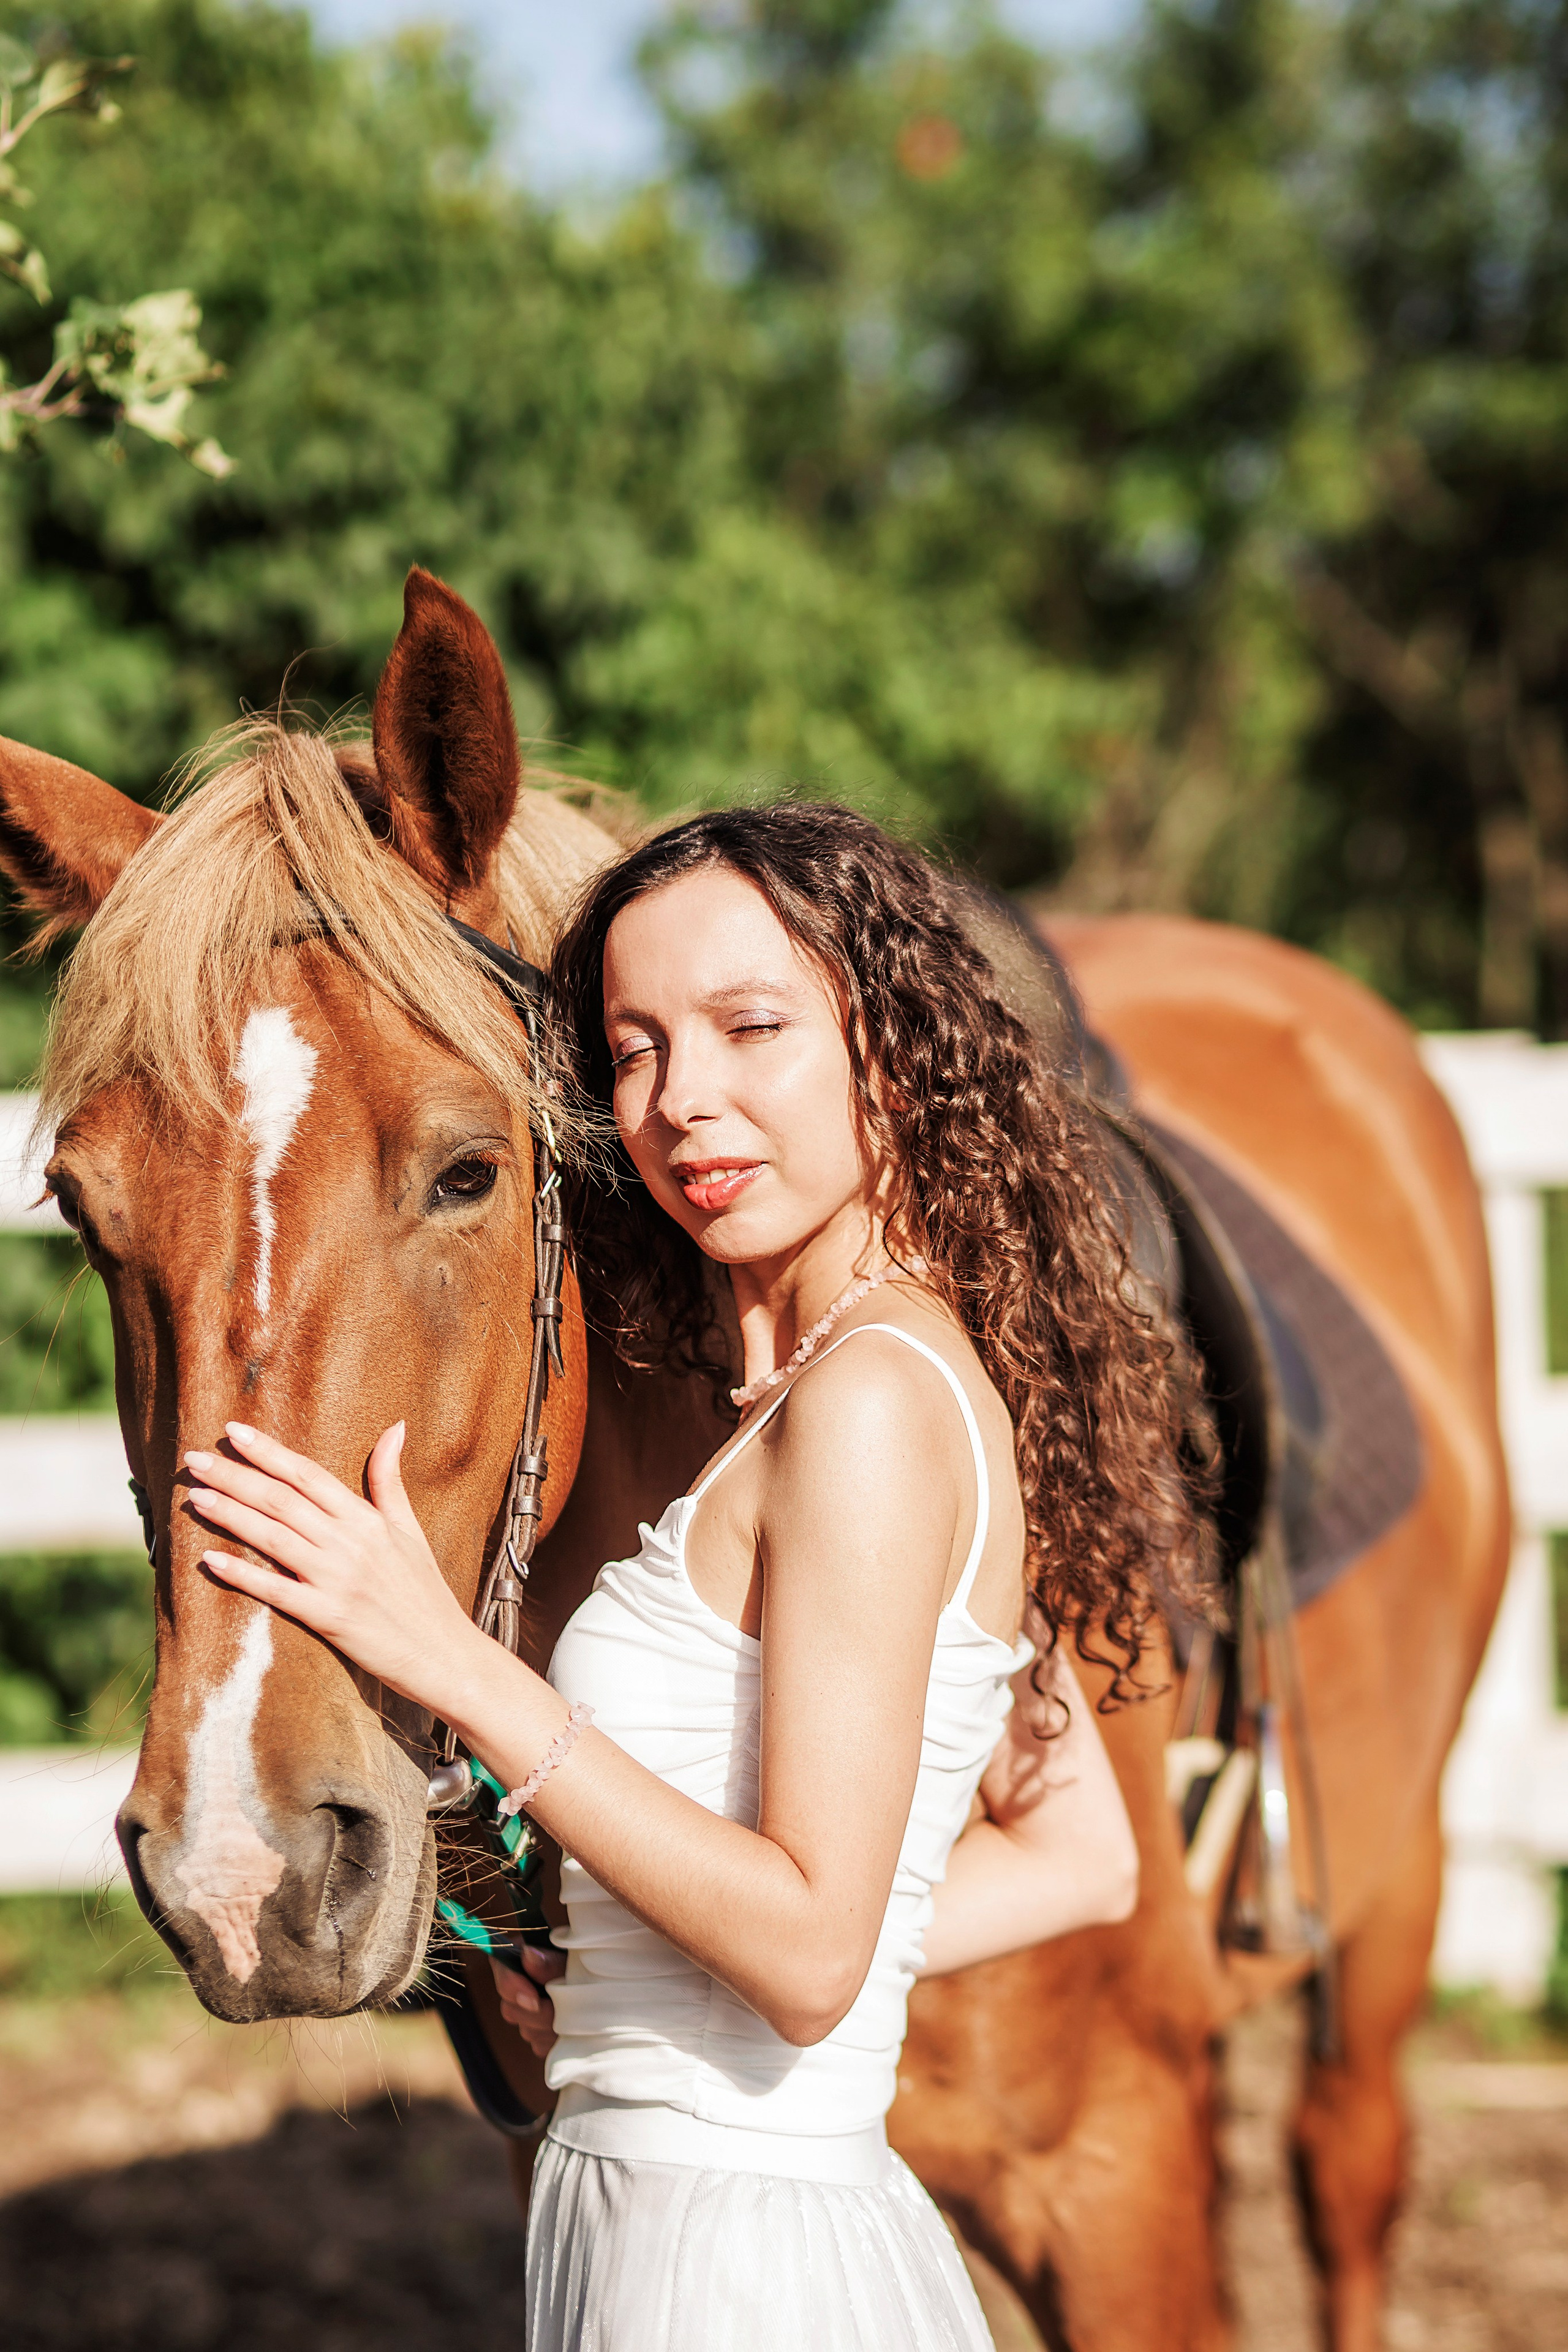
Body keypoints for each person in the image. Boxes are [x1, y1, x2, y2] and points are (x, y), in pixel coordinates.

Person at [187, 802, 1203, 2351]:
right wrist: (634, 1975)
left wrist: (451, 1664)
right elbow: (1081, 1859)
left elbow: (809, 1958)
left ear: (888, 1044)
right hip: (679, 2213)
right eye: (636, 1049)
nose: (682, 1102)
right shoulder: (835, 1382)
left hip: (735, 2256)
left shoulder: (867, 1407)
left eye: (751, 1027)